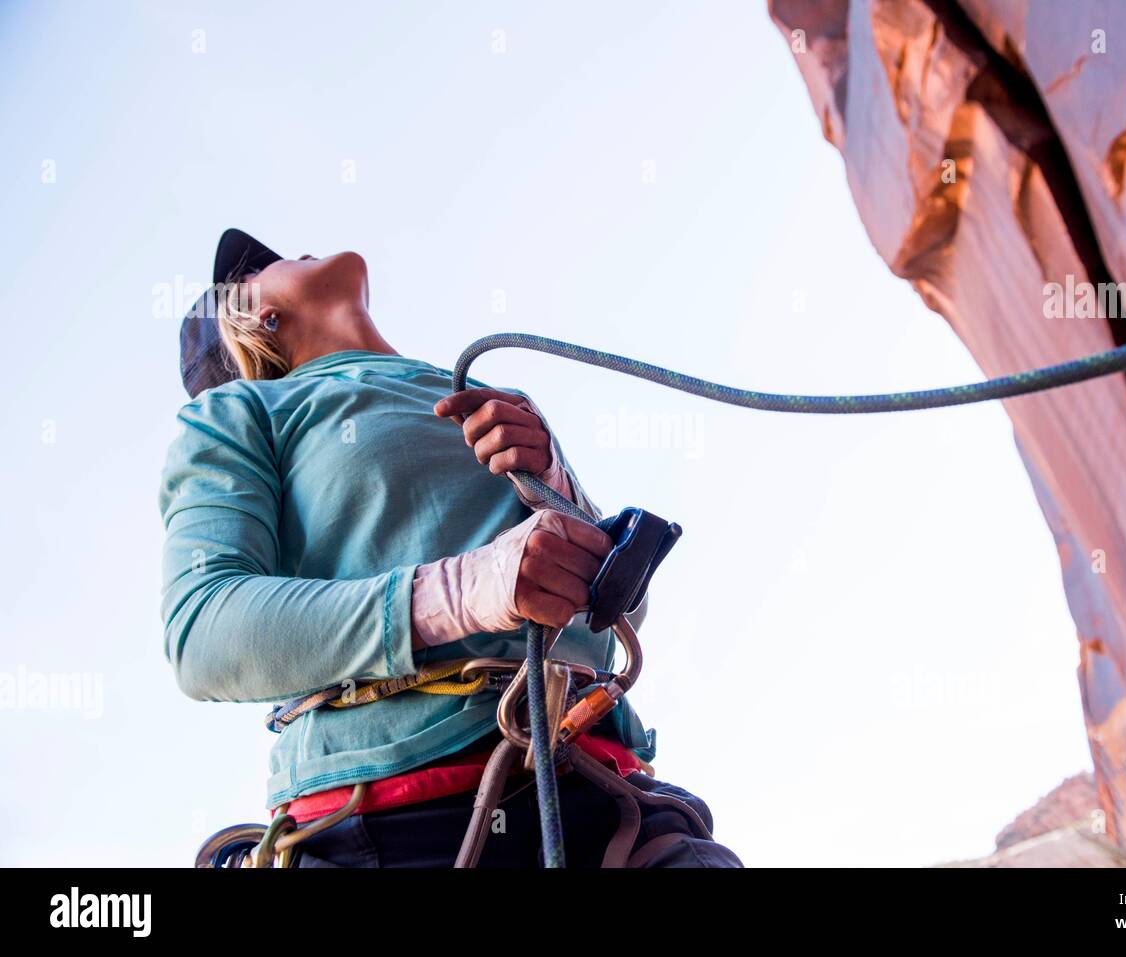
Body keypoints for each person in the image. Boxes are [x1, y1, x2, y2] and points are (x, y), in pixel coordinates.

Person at [160, 229, 742, 868]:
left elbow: (614, 622)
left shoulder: (493, 403)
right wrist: (470, 591)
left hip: (611, 796)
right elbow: (203, 631)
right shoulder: (239, 412)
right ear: (259, 320)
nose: (287, 253)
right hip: (397, 819)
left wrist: (554, 482)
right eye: (263, 268)